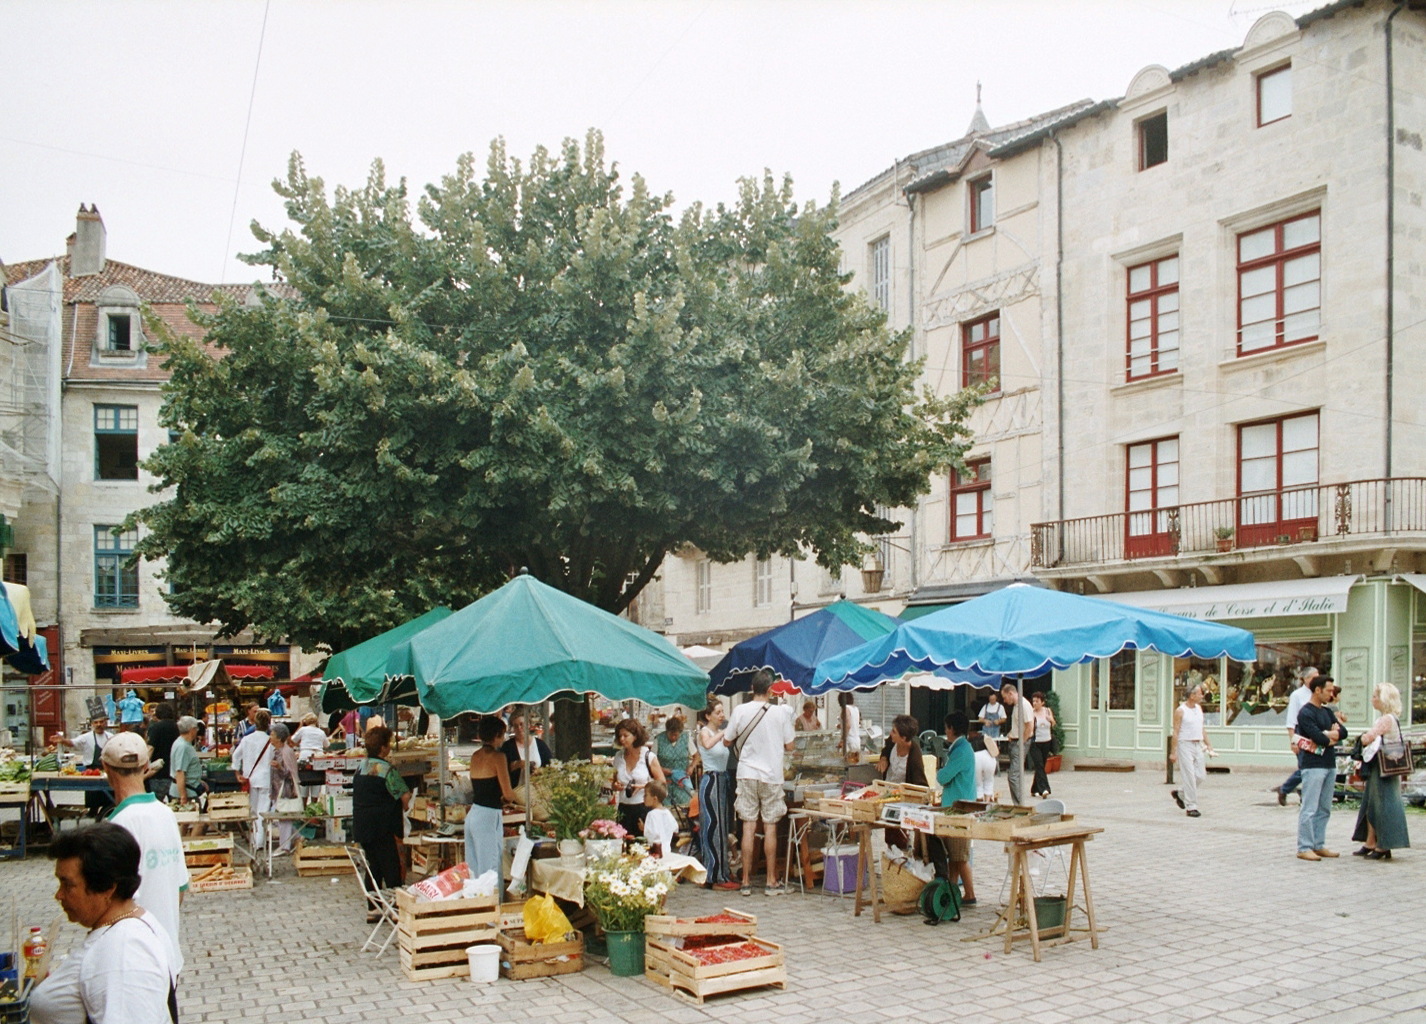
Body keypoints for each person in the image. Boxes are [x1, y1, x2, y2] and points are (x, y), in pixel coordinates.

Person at [29, 824, 176, 1024]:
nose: (59, 895)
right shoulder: (125, 928)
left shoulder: (124, 951)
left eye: (68, 884)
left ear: (107, 888)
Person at [100, 732, 187, 979]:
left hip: (133, 963)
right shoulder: (166, 814)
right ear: (146, 766)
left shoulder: (115, 825)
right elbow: (180, 888)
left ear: (105, 767)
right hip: (169, 957)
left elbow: (111, 904)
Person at [723, 670, 795, 896]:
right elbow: (790, 746)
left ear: (752, 689)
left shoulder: (739, 710)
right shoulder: (780, 713)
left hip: (746, 773)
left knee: (748, 826)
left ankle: (745, 880)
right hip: (771, 775)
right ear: (771, 690)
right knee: (771, 826)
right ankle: (771, 881)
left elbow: (727, 740)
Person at [352, 725, 412, 915]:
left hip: (363, 825)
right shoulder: (386, 769)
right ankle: (396, 908)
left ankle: (373, 908)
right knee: (391, 866)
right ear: (383, 748)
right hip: (384, 826)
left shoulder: (361, 767)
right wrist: (405, 807)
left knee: (373, 867)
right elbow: (404, 795)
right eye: (388, 745)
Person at [1352, 682, 1411, 860]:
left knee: (1381, 804)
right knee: (1372, 803)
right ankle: (1372, 841)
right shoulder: (1388, 717)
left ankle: (1383, 844)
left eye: (1375, 696)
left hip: (1383, 767)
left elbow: (1369, 737)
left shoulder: (1387, 719)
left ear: (1384, 699)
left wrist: (1362, 738)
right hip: (1383, 765)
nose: (1372, 699)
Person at [927, 711, 977, 920]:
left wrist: (940, 769)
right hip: (958, 803)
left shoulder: (960, 751)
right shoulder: (962, 747)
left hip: (958, 807)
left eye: (947, 728)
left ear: (951, 729)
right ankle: (957, 892)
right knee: (956, 854)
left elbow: (943, 776)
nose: (945, 731)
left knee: (959, 854)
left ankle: (966, 893)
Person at [1295, 674, 1347, 861]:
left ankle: (1319, 843)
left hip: (1329, 763)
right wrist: (1331, 735)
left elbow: (1344, 732)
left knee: (1325, 807)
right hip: (1313, 764)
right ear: (1317, 690)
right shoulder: (1306, 713)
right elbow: (1319, 738)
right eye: (1328, 690)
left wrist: (1331, 735)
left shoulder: (1327, 712)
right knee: (1310, 807)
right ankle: (1304, 846)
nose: (1331, 694)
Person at [465, 716, 514, 884]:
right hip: (488, 816)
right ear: (497, 735)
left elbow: (483, 786)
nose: (504, 739)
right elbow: (508, 794)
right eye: (502, 735)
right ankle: (493, 906)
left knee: (475, 869)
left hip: (473, 814)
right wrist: (510, 798)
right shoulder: (498, 757)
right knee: (490, 871)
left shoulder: (474, 756)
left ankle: (478, 905)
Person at [696, 700, 738, 890]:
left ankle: (721, 871)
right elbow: (706, 744)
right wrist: (723, 732)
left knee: (722, 827)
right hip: (711, 780)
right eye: (718, 712)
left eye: (722, 712)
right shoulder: (705, 732)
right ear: (708, 716)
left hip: (721, 780)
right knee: (714, 828)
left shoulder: (719, 734)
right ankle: (714, 876)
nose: (722, 715)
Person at [1274, 667, 1319, 805]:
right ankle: (1286, 789)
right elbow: (1291, 720)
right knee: (1306, 767)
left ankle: (1301, 793)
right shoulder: (1297, 695)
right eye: (1313, 677)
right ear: (1305, 679)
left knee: (1313, 767)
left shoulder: (1318, 693)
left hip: (1316, 733)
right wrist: (1293, 740)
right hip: (1301, 733)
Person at [1169, 684, 1215, 818]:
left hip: (1197, 744)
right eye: (1200, 693)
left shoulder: (1199, 709)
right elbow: (1176, 732)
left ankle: (1181, 794)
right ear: (1192, 695)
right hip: (1185, 744)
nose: (1202, 696)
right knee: (1189, 775)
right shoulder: (1180, 711)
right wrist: (1173, 752)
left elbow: (1201, 728)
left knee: (1200, 775)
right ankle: (1191, 806)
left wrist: (1208, 745)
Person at [613, 718, 665, 836]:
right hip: (623, 808)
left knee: (644, 845)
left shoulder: (648, 756)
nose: (622, 739)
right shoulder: (618, 757)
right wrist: (616, 786)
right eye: (620, 736)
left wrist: (643, 786)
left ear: (635, 736)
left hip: (643, 806)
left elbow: (662, 783)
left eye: (625, 735)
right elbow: (615, 781)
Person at [61, 714, 117, 819]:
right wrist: (62, 740)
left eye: (101, 722)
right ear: (92, 724)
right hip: (91, 772)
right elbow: (72, 743)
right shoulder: (86, 737)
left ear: (105, 723)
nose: (99, 725)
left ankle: (106, 814)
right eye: (96, 722)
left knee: (109, 799)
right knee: (93, 799)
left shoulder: (111, 737)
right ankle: (93, 814)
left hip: (107, 772)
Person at [232, 708, 273, 847]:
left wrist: (237, 773)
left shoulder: (246, 739)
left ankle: (255, 840)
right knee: (263, 811)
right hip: (266, 779)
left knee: (253, 810)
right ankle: (259, 841)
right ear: (268, 723)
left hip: (249, 778)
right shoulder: (271, 741)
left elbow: (235, 756)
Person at [267, 724, 302, 854]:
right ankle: (298, 838)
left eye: (272, 734)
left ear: (279, 738)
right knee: (283, 817)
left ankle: (285, 846)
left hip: (286, 790)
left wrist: (279, 768)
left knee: (284, 818)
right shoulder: (277, 751)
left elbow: (289, 773)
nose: (270, 736)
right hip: (278, 789)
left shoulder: (286, 752)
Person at [1001, 682, 1034, 805]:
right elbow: (1019, 725)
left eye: (1005, 698)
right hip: (1015, 740)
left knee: (1013, 775)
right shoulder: (1016, 706)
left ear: (1011, 693)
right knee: (1016, 775)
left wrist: (1021, 743)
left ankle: (1020, 804)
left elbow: (1030, 726)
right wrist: (1011, 733)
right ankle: (1019, 803)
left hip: (1020, 743)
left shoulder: (1023, 705)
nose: (1004, 701)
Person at [876, 714, 929, 787]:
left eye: (894, 732)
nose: (890, 733)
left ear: (903, 738)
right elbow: (886, 749)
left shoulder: (914, 755)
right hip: (885, 788)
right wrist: (883, 758)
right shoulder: (892, 741)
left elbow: (920, 783)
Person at [655, 716, 695, 809]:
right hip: (665, 783)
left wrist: (692, 766)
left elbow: (696, 756)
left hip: (682, 782)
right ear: (667, 731)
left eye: (676, 735)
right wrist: (660, 769)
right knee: (666, 809)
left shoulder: (686, 738)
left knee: (684, 809)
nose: (674, 737)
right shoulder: (658, 739)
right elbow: (651, 760)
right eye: (671, 735)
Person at [500, 712, 553, 778]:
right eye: (516, 726)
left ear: (528, 725)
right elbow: (501, 770)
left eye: (521, 724)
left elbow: (550, 766)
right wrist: (517, 764)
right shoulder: (507, 747)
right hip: (517, 787)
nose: (519, 728)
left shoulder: (540, 745)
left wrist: (539, 771)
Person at [145, 705, 179, 803]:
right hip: (173, 772)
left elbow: (150, 748)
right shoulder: (176, 727)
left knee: (156, 804)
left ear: (158, 714)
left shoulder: (155, 727)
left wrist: (144, 766)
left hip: (158, 773)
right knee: (175, 803)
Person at [170, 717, 205, 807]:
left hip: (190, 789)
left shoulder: (182, 743)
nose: (197, 731)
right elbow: (180, 772)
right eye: (196, 728)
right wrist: (183, 797)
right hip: (187, 793)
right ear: (192, 730)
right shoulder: (183, 747)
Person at [1029, 692, 1056, 799]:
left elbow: (1053, 724)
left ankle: (1034, 789)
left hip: (1047, 741)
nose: (1034, 703)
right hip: (1035, 743)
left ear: (1042, 702)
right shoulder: (1031, 713)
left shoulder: (1047, 711)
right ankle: (1045, 789)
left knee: (1041, 766)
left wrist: (1051, 720)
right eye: (1033, 701)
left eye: (1037, 701)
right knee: (1039, 765)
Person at [642, 780, 678, 857]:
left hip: (656, 852)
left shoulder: (651, 815)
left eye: (645, 795)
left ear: (655, 799)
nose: (643, 798)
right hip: (667, 850)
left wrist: (644, 828)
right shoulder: (667, 812)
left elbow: (651, 835)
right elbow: (675, 828)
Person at [972, 733, 998, 802]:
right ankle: (987, 802)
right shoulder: (989, 752)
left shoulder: (974, 752)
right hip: (990, 758)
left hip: (976, 758)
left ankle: (979, 803)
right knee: (989, 781)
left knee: (978, 783)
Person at [837, 692, 862, 763]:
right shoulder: (855, 709)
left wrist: (842, 740)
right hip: (857, 739)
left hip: (849, 740)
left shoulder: (846, 709)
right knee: (855, 762)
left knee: (848, 762)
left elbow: (848, 725)